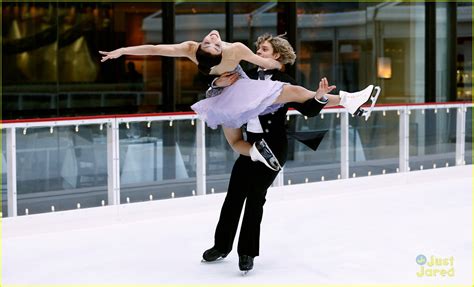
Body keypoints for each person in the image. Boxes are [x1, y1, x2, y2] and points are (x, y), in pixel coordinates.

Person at [99, 30, 379, 171]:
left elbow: (262, 61)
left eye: (213, 41)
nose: (212, 38)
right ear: (206, 54)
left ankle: (347, 99)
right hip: (228, 94)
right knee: (236, 141)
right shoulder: (198, 50)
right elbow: (156, 49)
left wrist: (279, 57)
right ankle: (258, 152)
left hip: (233, 94)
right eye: (211, 43)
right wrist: (123, 50)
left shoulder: (226, 50)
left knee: (291, 92)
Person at [200, 33, 333, 273]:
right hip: (249, 146)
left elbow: (309, 110)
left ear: (277, 56)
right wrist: (216, 84)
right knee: (234, 196)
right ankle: (221, 246)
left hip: (273, 147)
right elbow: (219, 91)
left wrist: (320, 97)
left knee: (255, 197)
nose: (258, 53)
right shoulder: (247, 77)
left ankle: (247, 253)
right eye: (258, 50)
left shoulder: (285, 81)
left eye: (263, 50)